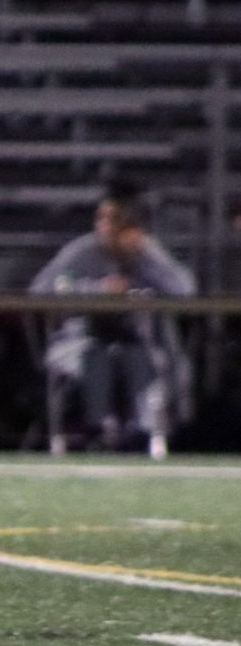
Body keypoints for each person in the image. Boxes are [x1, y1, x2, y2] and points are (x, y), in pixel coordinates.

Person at [28, 179, 194, 453]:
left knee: (140, 359)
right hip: (81, 339)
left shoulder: (146, 254)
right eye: (103, 220)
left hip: (138, 341)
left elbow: (185, 290)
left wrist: (144, 256)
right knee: (97, 357)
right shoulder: (83, 251)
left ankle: (144, 433)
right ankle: (96, 430)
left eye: (117, 221)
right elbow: (41, 289)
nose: (107, 228)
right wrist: (96, 291)